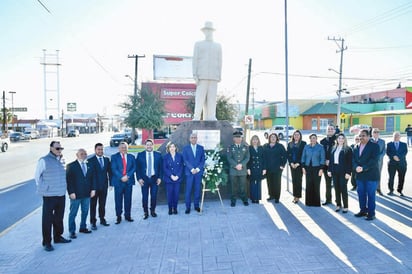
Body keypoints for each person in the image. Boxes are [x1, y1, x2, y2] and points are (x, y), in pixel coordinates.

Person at [35, 141, 71, 252]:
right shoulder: (43, 160)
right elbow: (37, 177)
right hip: (49, 195)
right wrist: (45, 187)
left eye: (61, 148)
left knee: (59, 218)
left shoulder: (62, 160)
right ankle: (47, 242)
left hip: (61, 194)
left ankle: (58, 237)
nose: (59, 150)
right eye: (57, 148)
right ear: (51, 148)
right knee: (47, 219)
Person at [192, 21, 222, 121]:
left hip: (214, 76)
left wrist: (219, 75)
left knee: (212, 99)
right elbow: (195, 60)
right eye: (206, 31)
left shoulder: (218, 45)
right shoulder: (198, 44)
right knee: (200, 98)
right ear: (204, 32)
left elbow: (220, 61)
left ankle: (211, 116)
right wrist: (195, 75)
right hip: (202, 76)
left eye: (210, 31)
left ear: (213, 32)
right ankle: (196, 116)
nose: (208, 33)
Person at [66, 148, 96, 239]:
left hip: (87, 194)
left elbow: (93, 178)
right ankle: (72, 231)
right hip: (76, 194)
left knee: (85, 211)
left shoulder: (89, 164)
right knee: (73, 213)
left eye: (85, 154)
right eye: (81, 154)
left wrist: (93, 189)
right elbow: (69, 181)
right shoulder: (71, 166)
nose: (83, 155)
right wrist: (71, 192)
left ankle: (83, 227)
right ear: (77, 155)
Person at [352, 129, 380, 220]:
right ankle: (363, 210)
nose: (361, 137)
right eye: (360, 136)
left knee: (371, 195)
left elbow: (374, 160)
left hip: (371, 175)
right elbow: (353, 160)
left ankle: (371, 214)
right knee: (361, 194)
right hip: (360, 175)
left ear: (369, 136)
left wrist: (363, 168)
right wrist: (356, 167)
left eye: (363, 135)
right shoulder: (356, 146)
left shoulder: (374, 146)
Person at [136, 139, 162, 219]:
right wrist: (139, 178)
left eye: (151, 144)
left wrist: (160, 178)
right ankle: (145, 212)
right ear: (145, 146)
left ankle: (153, 211)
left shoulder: (158, 155)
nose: (149, 146)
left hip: (154, 179)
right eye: (147, 145)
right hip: (144, 179)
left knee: (154, 196)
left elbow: (161, 168)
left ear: (153, 145)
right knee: (145, 197)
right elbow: (137, 168)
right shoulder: (140, 155)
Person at [111, 141, 136, 224]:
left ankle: (128, 215)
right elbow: (114, 169)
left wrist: (127, 176)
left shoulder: (131, 157)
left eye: (125, 147)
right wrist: (121, 177)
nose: (123, 149)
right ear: (119, 148)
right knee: (118, 200)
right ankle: (118, 216)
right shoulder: (114, 157)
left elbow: (134, 167)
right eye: (122, 147)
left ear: (127, 148)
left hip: (129, 182)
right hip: (118, 182)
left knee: (128, 199)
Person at [88, 143, 111, 229]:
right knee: (93, 205)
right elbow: (89, 176)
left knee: (102, 204)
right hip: (93, 188)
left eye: (102, 149)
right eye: (99, 149)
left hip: (104, 186)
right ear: (95, 150)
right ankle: (93, 222)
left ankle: (102, 219)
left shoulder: (107, 159)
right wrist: (90, 188)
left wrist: (111, 184)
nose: (100, 151)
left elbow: (109, 172)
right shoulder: (90, 160)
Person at [327, 134, 352, 213]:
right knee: (336, 188)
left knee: (343, 189)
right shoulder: (334, 148)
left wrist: (348, 172)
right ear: (337, 139)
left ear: (344, 139)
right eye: (339, 138)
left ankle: (346, 206)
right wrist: (329, 170)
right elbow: (331, 161)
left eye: (342, 138)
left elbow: (350, 162)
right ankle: (338, 204)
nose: (341, 140)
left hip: (343, 172)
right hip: (335, 171)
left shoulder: (348, 149)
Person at [182, 133, 205, 214]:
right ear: (189, 139)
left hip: (198, 173)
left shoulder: (201, 148)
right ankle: (188, 207)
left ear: (197, 138)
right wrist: (192, 169)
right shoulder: (185, 148)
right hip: (189, 173)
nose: (193, 139)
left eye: (195, 137)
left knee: (197, 190)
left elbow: (203, 160)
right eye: (192, 137)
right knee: (188, 190)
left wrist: (198, 169)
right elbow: (185, 160)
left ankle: (196, 206)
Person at [227, 131, 250, 206]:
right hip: (233, 170)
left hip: (242, 170)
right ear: (233, 138)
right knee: (233, 186)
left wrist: (241, 165)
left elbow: (247, 157)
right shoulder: (230, 147)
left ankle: (244, 199)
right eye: (236, 137)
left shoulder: (245, 147)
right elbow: (229, 158)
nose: (238, 138)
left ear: (241, 138)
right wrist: (236, 165)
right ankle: (233, 200)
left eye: (239, 137)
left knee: (243, 186)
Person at [301, 134, 325, 206]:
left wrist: (321, 169)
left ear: (316, 139)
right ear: (310, 139)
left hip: (317, 168)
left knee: (316, 185)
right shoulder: (306, 147)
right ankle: (308, 202)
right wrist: (303, 167)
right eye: (311, 138)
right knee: (308, 184)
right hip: (308, 167)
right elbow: (303, 157)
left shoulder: (320, 147)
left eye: (314, 138)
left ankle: (316, 203)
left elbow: (322, 158)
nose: (313, 140)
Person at [263, 132, 287, 203]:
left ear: (277, 138)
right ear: (269, 138)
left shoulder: (280, 146)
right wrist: (264, 168)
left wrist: (282, 165)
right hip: (268, 168)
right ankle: (271, 196)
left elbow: (285, 156)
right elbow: (263, 157)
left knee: (277, 183)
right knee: (269, 182)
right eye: (271, 137)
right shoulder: (265, 146)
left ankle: (277, 197)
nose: (273, 138)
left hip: (277, 168)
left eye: (274, 137)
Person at [163, 142, 184, 215]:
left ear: (175, 148)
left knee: (176, 194)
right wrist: (171, 176)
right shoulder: (165, 156)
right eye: (170, 147)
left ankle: (175, 208)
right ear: (168, 148)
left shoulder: (180, 156)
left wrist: (177, 176)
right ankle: (170, 209)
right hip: (169, 179)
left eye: (173, 147)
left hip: (177, 179)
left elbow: (181, 167)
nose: (172, 148)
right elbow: (165, 168)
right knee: (170, 195)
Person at [287, 130, 306, 204]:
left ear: (300, 136)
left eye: (298, 135)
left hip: (299, 165)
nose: (296, 136)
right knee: (294, 181)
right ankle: (294, 195)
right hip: (292, 165)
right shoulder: (290, 144)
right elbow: (288, 154)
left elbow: (303, 155)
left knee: (298, 181)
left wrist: (298, 163)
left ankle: (298, 196)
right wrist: (291, 162)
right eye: (295, 135)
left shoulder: (303, 144)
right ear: (293, 136)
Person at [386, 131, 408, 196]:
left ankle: (400, 190)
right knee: (391, 177)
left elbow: (405, 152)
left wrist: (398, 157)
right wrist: (393, 156)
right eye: (395, 136)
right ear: (393, 137)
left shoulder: (404, 144)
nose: (396, 137)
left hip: (402, 164)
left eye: (397, 136)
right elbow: (388, 152)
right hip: (392, 164)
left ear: (400, 137)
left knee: (401, 177)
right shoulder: (389, 144)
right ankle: (391, 190)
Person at [247, 135, 266, 203]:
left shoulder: (261, 148)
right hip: (252, 168)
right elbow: (248, 159)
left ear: (258, 140)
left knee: (258, 183)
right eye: (253, 139)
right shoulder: (249, 148)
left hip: (259, 168)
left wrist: (264, 169)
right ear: (251, 141)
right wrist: (248, 168)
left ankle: (257, 198)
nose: (255, 141)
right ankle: (253, 198)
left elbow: (264, 159)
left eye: (256, 139)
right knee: (252, 183)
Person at [320, 125, 336, 205]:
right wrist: (325, 160)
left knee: (337, 184)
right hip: (325, 166)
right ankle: (328, 199)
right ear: (326, 131)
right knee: (328, 183)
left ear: (334, 130)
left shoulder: (338, 140)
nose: (330, 130)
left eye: (331, 129)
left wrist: (330, 160)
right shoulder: (322, 141)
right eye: (328, 129)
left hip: (336, 165)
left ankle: (338, 201)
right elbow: (321, 153)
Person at [371, 128, 385, 195]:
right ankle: (371, 189)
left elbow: (383, 151)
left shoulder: (382, 141)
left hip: (379, 162)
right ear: (372, 133)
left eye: (377, 132)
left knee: (378, 175)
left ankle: (378, 189)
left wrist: (378, 157)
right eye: (374, 132)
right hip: (370, 162)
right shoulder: (368, 141)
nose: (376, 133)